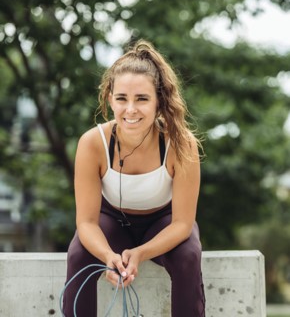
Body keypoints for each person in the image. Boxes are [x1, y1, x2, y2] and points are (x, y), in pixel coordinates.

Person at [63, 39, 205, 316]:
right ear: (109, 99)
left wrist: (140, 253)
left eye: (142, 98)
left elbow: (182, 224)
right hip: (110, 220)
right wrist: (107, 256)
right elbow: (87, 222)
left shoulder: (181, 143)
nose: (130, 110)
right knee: (79, 254)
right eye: (121, 99)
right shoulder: (92, 143)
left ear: (159, 101)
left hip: (163, 223)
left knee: (188, 256)